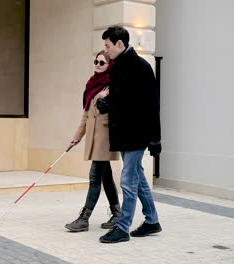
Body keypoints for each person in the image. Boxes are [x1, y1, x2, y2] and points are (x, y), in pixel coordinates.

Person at [97, 26, 162, 243]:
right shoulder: (116, 68)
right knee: (138, 177)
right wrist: (107, 104)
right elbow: (122, 100)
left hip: (137, 132)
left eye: (108, 46)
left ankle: (123, 228)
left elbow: (152, 105)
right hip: (123, 132)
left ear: (120, 44)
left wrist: (155, 137)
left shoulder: (142, 67)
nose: (106, 49)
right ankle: (152, 221)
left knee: (128, 179)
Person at [64, 50, 121, 232]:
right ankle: (117, 213)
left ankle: (84, 218)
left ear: (109, 65)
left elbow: (120, 110)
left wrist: (110, 101)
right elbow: (86, 116)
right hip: (93, 138)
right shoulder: (93, 85)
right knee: (106, 176)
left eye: (102, 62)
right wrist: (76, 137)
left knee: (95, 176)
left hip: (105, 138)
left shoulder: (113, 85)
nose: (97, 64)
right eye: (96, 61)